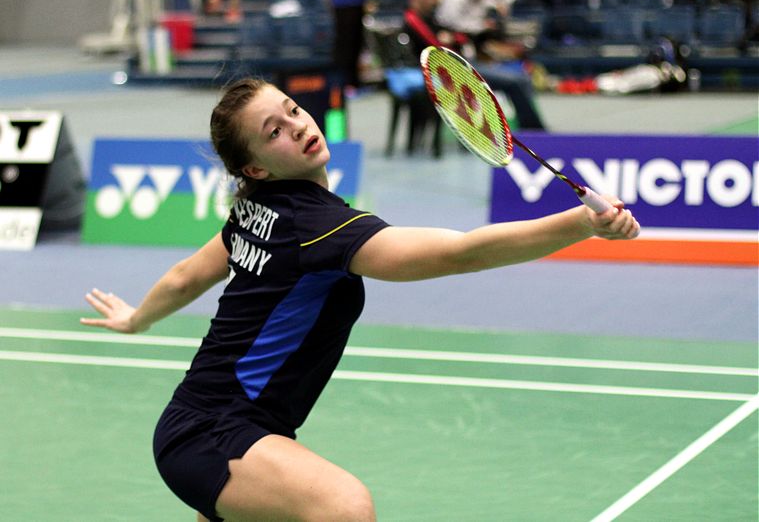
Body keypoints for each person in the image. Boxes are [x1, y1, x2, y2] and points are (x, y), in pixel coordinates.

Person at [81, 77, 638, 522]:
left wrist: (136, 319)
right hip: (217, 433)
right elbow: (458, 253)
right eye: (273, 132)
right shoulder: (318, 227)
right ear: (254, 167)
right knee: (344, 507)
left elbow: (185, 278)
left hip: (207, 425)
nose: (297, 128)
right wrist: (580, 223)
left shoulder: (257, 210)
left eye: (292, 111)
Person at [406, 0, 547, 130]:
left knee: (521, 77)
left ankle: (532, 131)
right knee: (515, 82)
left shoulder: (430, 16)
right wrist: (451, 39)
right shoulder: (412, 19)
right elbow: (436, 46)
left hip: (461, 66)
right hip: (449, 74)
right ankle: (535, 133)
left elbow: (457, 36)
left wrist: (454, 38)